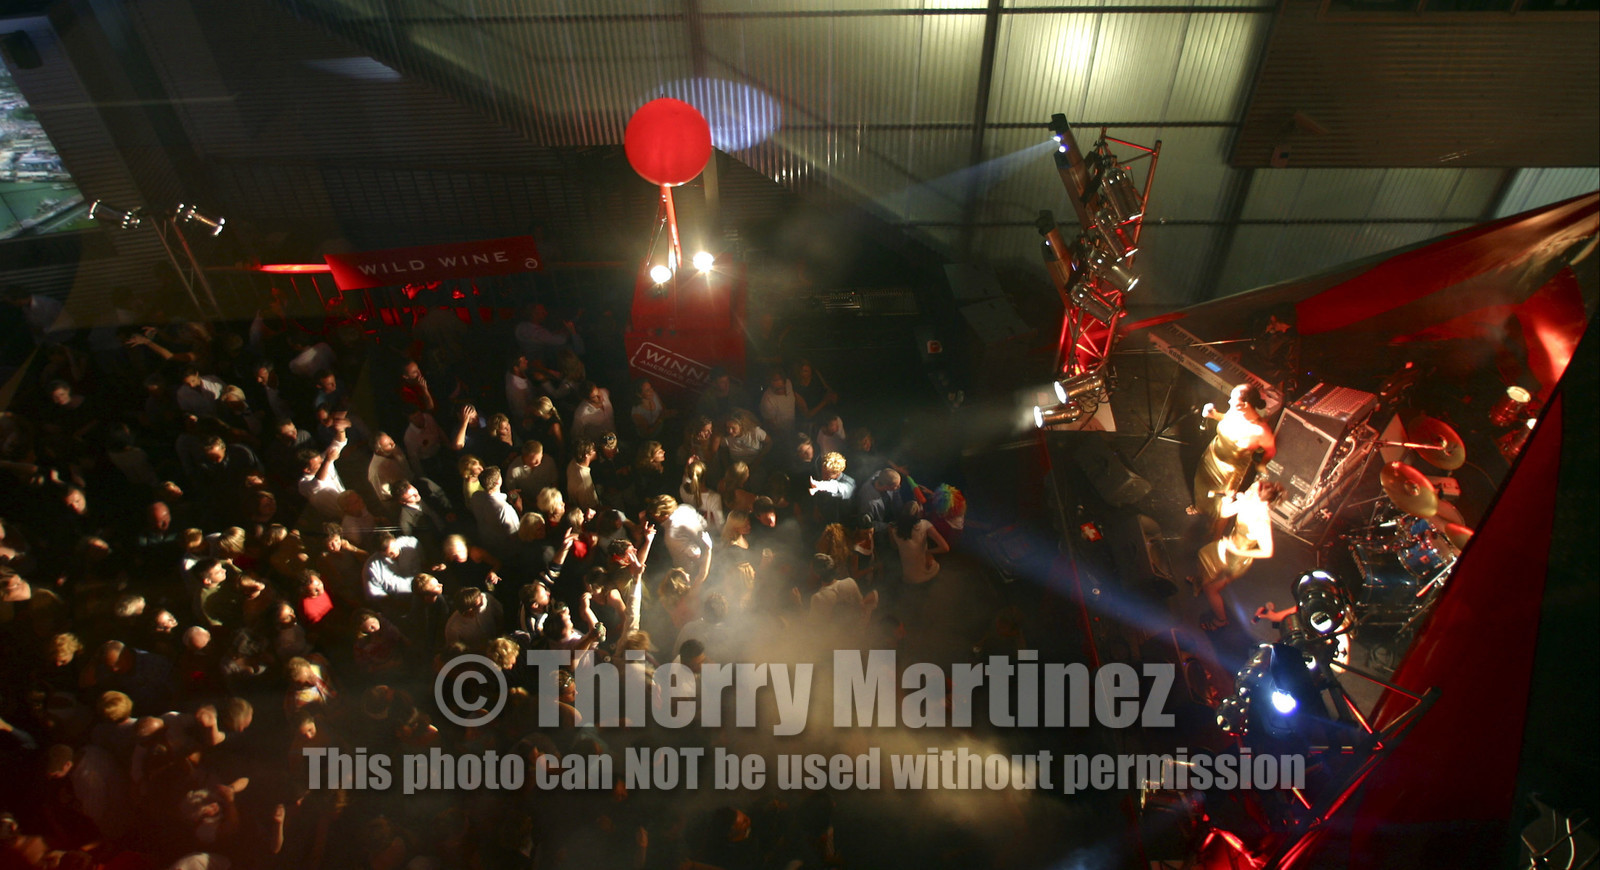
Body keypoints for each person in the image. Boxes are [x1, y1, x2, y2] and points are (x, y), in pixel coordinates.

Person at [1191, 480, 1283, 630]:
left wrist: (1238, 551)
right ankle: (1200, 581)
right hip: (1227, 547)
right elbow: (1224, 513)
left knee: (1211, 590)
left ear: (1262, 501)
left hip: (1236, 560)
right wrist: (1227, 499)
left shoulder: (1261, 522)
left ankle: (1221, 620)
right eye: (1250, 488)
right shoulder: (1247, 503)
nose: (1246, 492)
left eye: (1251, 492)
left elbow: (1267, 552)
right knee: (1205, 558)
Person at [1192, 383, 1276, 523]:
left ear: (1245, 404)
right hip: (1210, 458)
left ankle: (1212, 530)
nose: (1229, 401)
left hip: (1228, 474)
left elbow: (1271, 449)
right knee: (1201, 487)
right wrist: (1213, 415)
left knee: (1220, 505)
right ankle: (1200, 508)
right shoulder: (1235, 411)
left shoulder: (1260, 430)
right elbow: (1225, 418)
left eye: (1233, 399)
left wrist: (1262, 464)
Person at [892, 502, 949, 585]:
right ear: (917, 514)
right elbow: (945, 548)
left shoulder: (893, 529)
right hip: (925, 573)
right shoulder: (925, 524)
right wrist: (927, 552)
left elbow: (894, 547)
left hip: (908, 577)